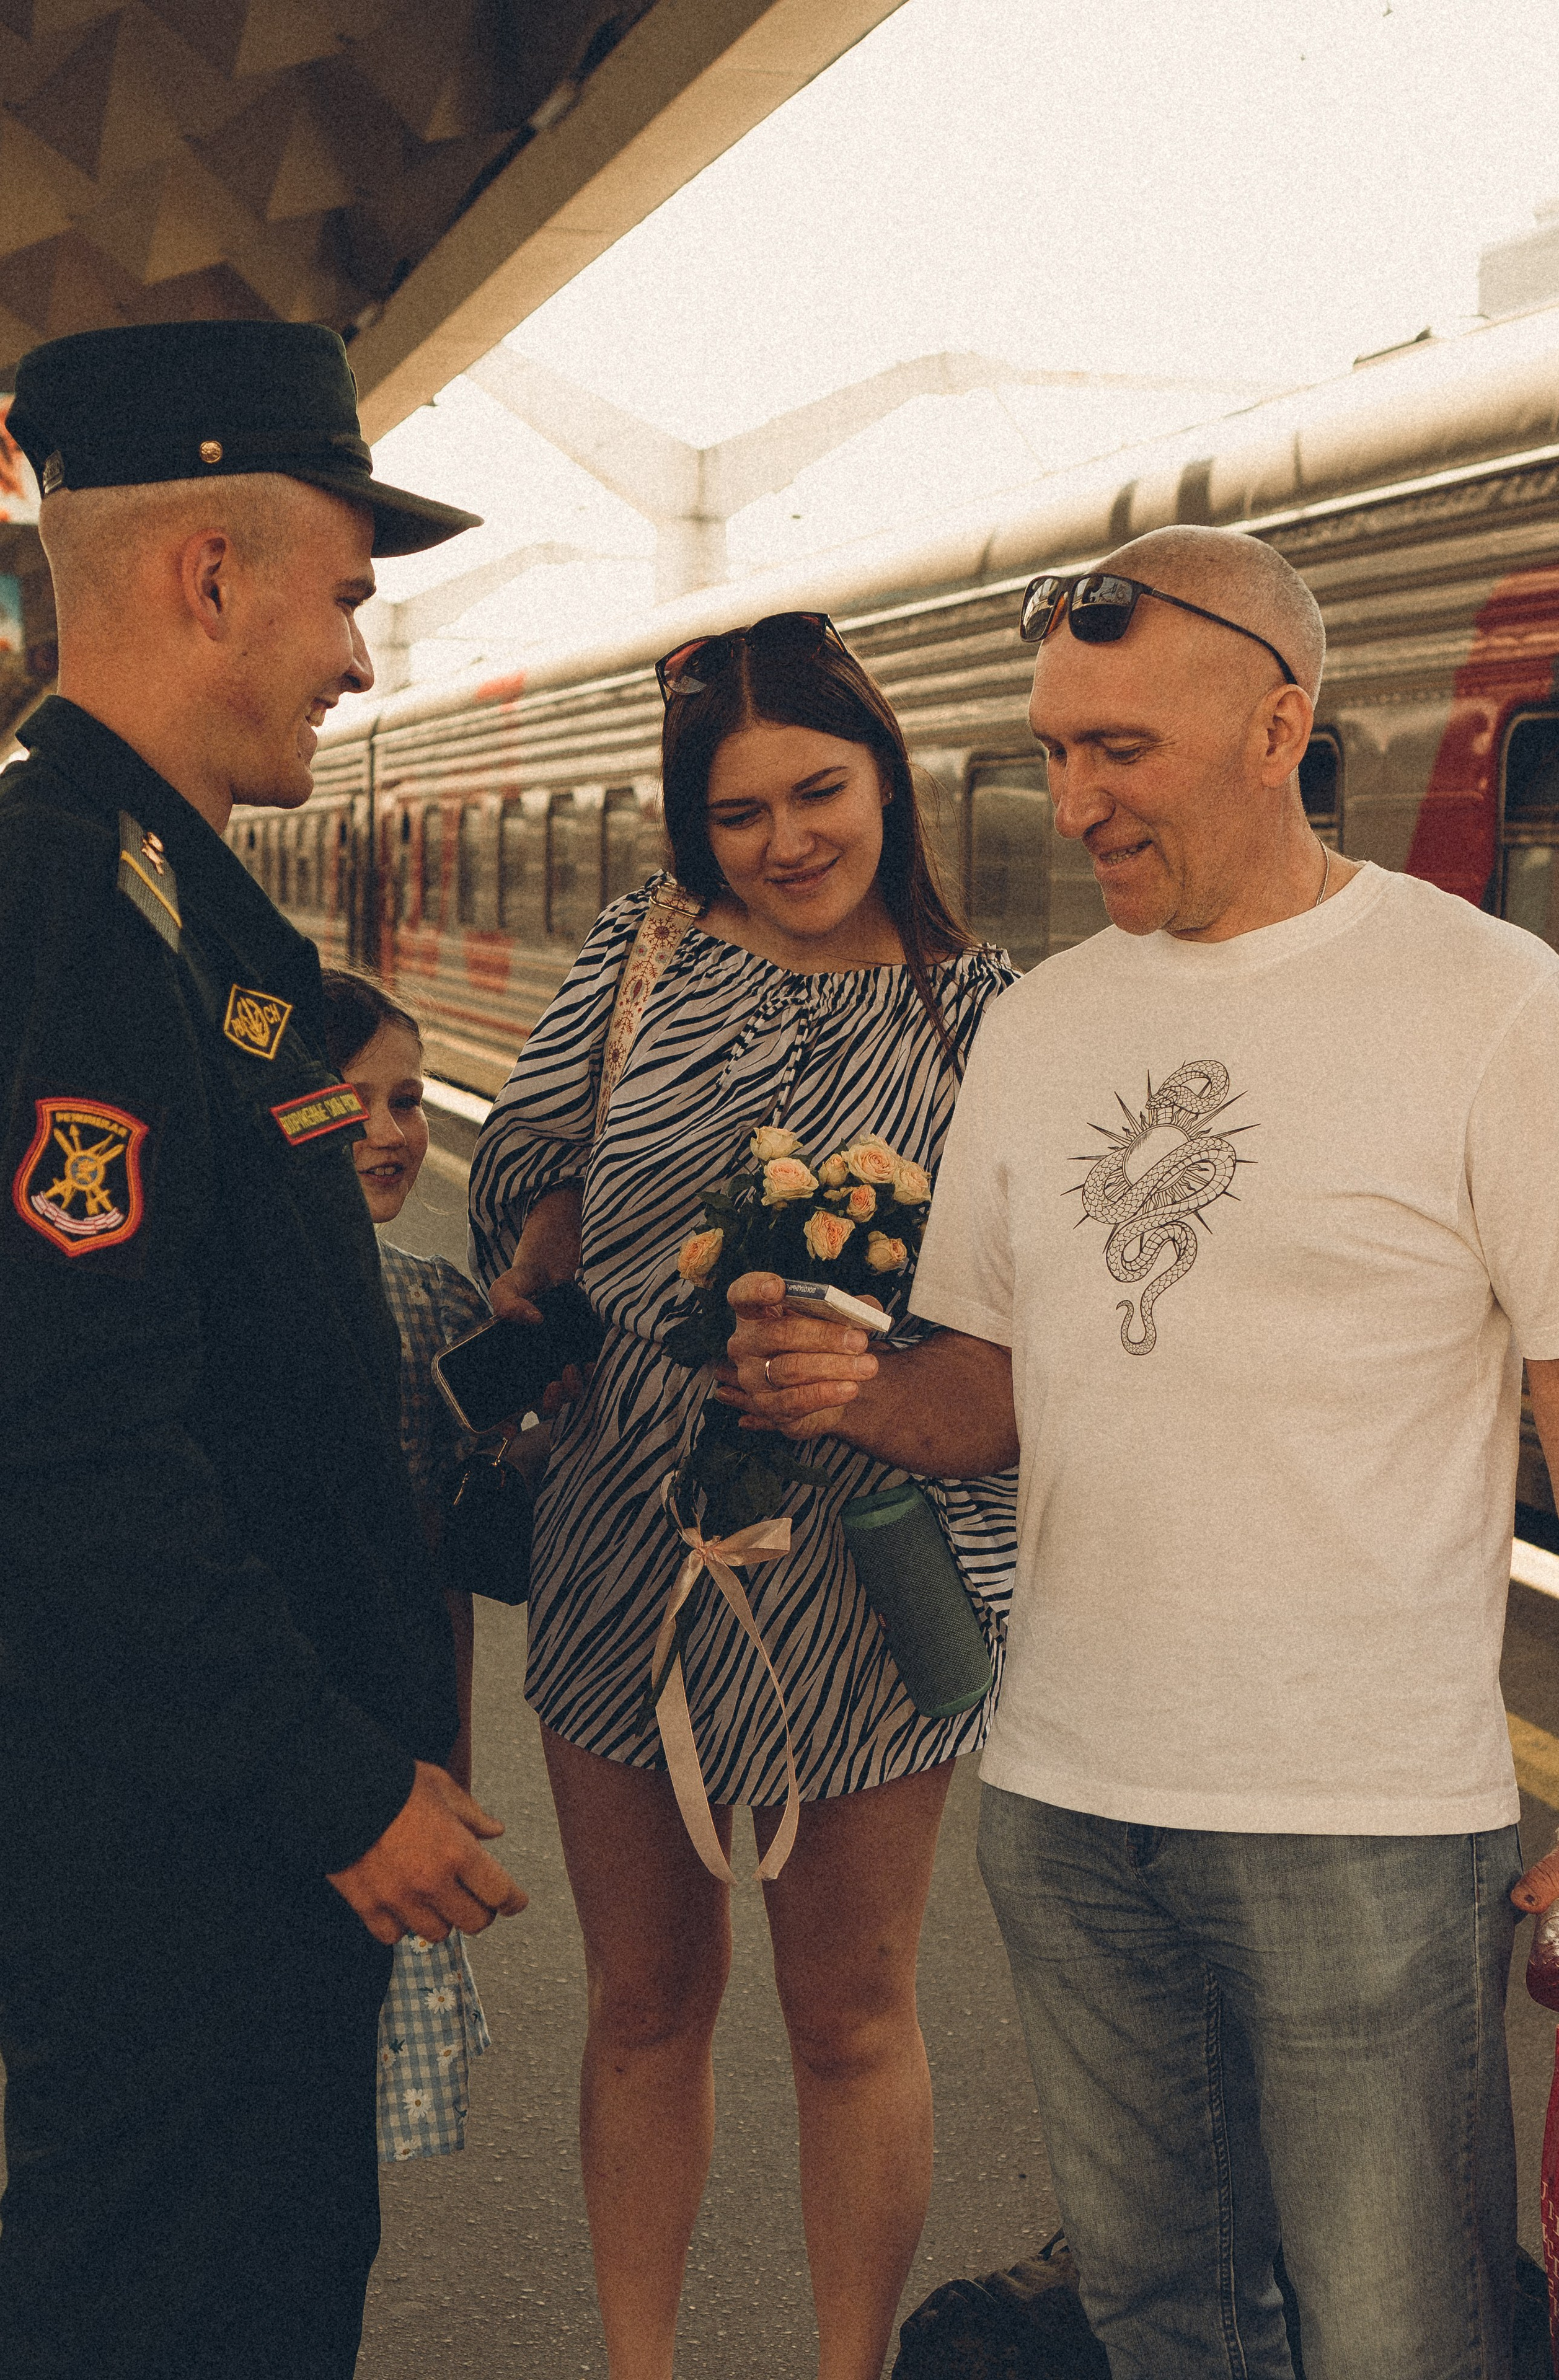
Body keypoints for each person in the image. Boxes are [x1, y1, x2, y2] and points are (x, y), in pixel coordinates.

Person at [723, 526, 1559, 2380]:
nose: (1078, 798)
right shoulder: (1044, 1025)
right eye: (1053, 753)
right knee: (1164, 2323)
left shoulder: (1493, 1003)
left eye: (1122, 748)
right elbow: (992, 1389)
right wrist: (847, 1389)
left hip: (1360, 1822)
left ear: (1282, 727)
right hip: (1071, 1804)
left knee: (1396, 2338)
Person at [0, 320, 526, 2380]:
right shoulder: (67, 908)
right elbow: (67, 1443)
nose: (358, 659)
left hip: (230, 1850)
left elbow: (249, 1366)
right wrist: (332, 1784)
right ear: (205, 575)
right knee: (175, 2311)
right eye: (342, 597)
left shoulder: (172, 912)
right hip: (185, 1857)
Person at [469, 610, 1020, 2380]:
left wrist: (864, 1364)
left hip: (873, 1549)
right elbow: (531, 1172)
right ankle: (642, 2365)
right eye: (736, 811)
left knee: (850, 2012)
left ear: (889, 783)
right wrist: (542, 1270)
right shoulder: (640, 954)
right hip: (629, 1524)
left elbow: (1020, 1318)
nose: (785, 839)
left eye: (818, 791)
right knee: (646, 2003)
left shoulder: (986, 1013)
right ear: (689, 828)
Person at [321, 966, 494, 2162]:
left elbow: (452, 1556)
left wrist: (455, 1749)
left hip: (401, 1741)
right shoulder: (224, 1307)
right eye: (354, 1107)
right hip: (302, 1748)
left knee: (336, 2120)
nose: (390, 1135)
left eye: (410, 1100)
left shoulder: (434, 1309)